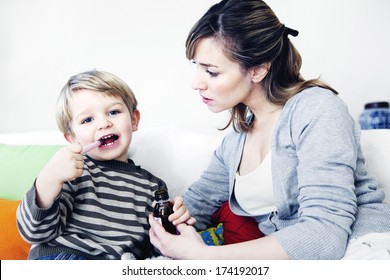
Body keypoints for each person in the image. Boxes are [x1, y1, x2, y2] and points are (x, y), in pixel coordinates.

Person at [148, 0, 390, 259]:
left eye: (211, 72)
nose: (196, 83)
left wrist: (205, 257)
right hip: (296, 262)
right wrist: (170, 218)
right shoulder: (235, 144)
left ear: (259, 69)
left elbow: (326, 235)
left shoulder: (316, 109)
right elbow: (194, 207)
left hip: (360, 249)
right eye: (196, 66)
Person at [16, 70, 191, 260]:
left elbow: (160, 251)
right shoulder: (72, 171)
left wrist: (174, 222)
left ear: (133, 120)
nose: (104, 123)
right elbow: (33, 232)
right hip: (65, 257)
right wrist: (49, 179)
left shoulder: (153, 187)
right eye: (87, 119)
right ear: (73, 138)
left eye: (113, 112)